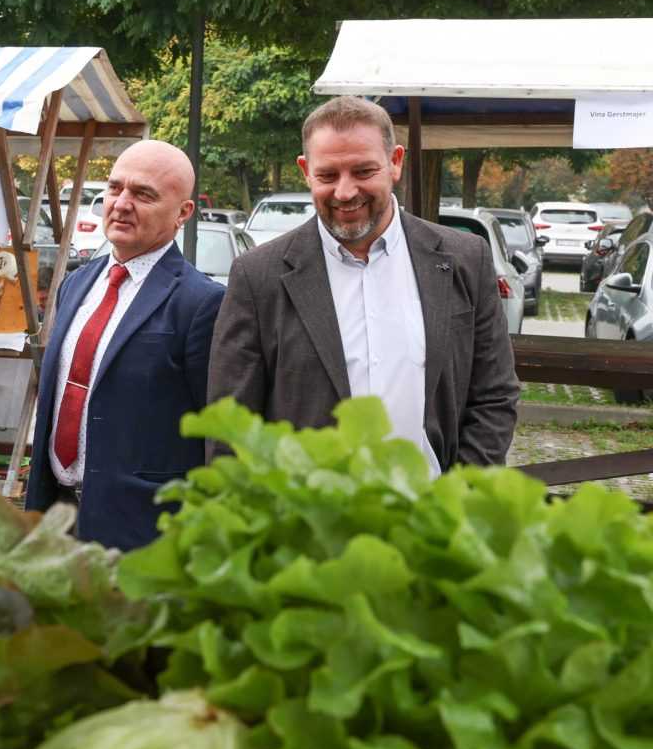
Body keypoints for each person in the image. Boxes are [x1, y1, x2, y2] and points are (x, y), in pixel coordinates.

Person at [207, 96, 518, 471]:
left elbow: (494, 396)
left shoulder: (466, 259)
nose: (344, 191)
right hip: (309, 521)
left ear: (395, 162)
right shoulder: (258, 277)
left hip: (435, 516)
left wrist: (461, 501)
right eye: (327, 175)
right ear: (305, 171)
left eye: (363, 171)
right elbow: (233, 426)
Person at [23, 139, 226, 551]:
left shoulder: (201, 303)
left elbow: (215, 435)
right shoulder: (77, 284)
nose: (121, 203)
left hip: (142, 534)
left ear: (183, 213)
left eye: (144, 194)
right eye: (115, 188)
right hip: (56, 522)